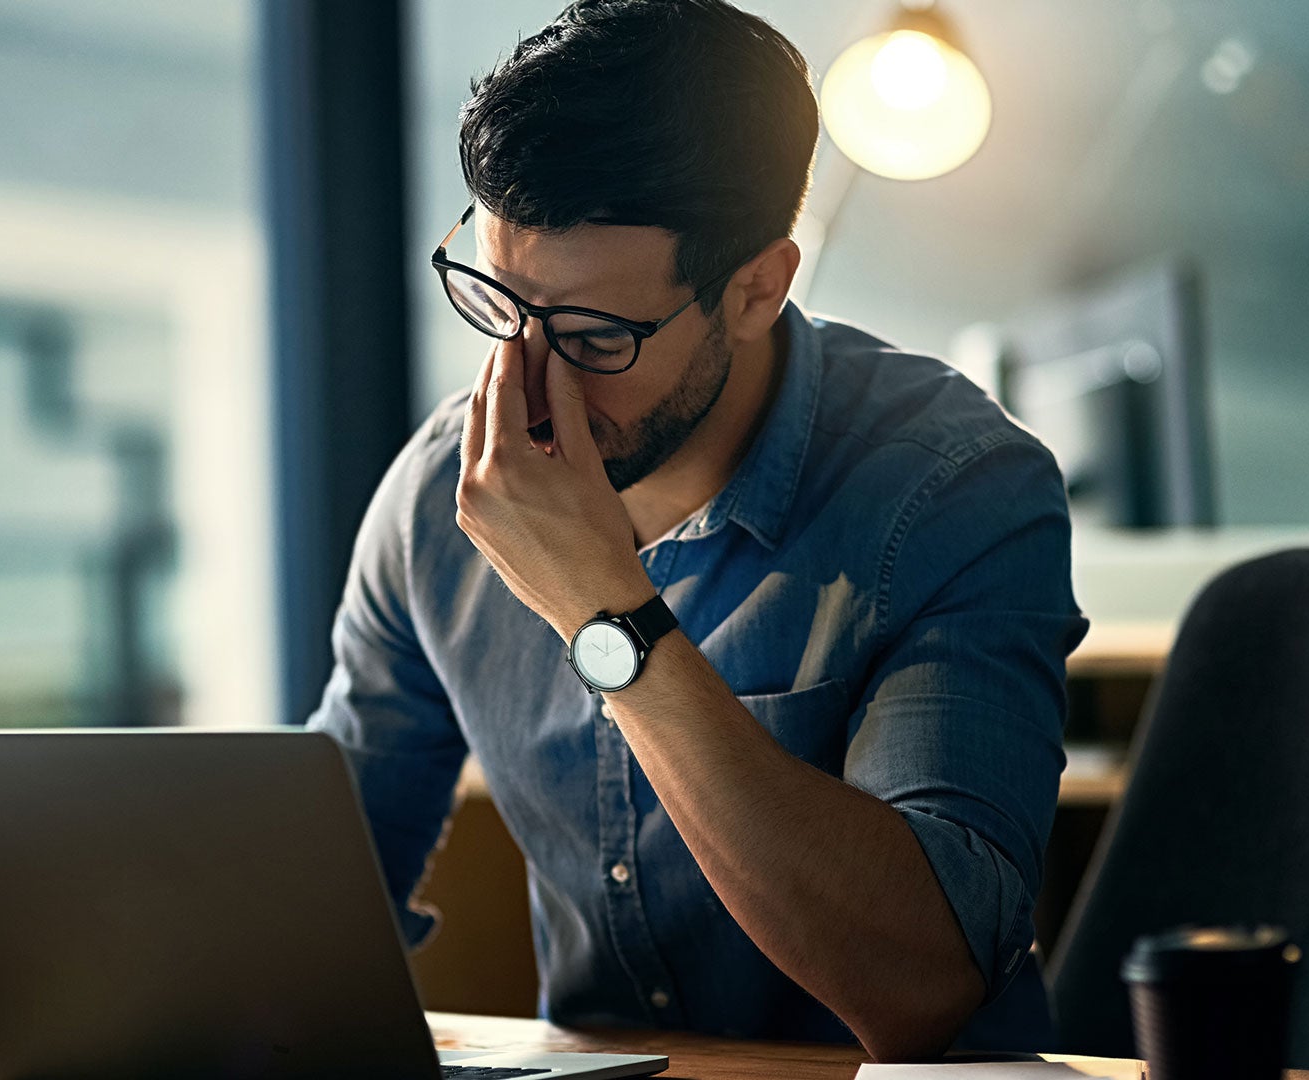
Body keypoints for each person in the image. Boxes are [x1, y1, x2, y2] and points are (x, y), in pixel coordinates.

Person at [307, 0, 1086, 1060]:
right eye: (497, 305)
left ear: (756, 288)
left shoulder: (953, 489)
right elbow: (316, 893)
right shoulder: (441, 494)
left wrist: (602, 613)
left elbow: (923, 987)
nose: (527, 386)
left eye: (591, 336)